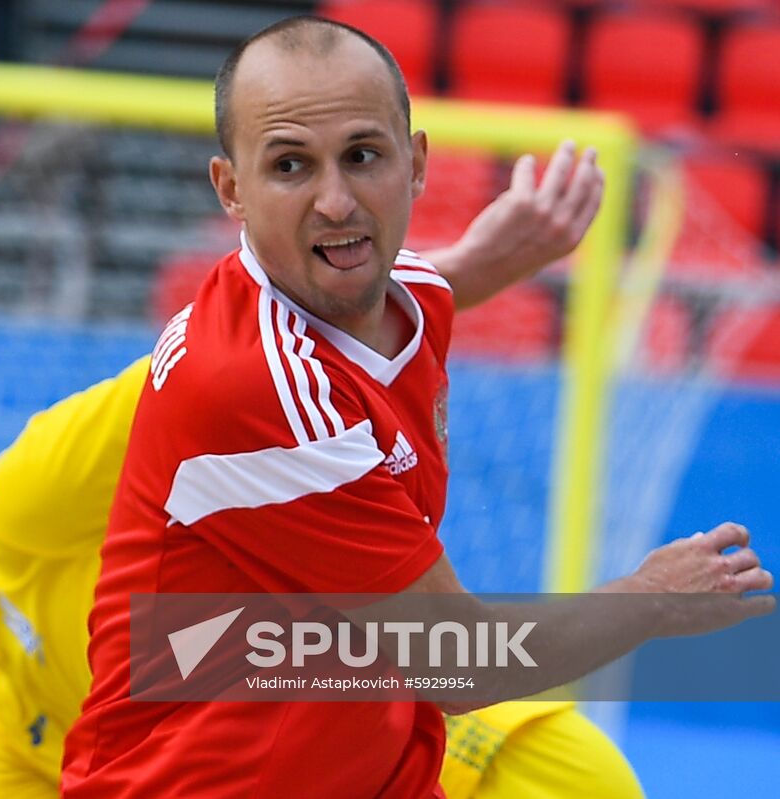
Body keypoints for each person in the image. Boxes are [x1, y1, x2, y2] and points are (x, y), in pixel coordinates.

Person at [0, 131, 657, 796]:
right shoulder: (17, 732)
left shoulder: (18, 497)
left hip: (490, 773)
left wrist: (460, 271)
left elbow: (230, 366)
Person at [61, 16, 772, 799]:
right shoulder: (262, 388)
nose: (336, 200)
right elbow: (453, 659)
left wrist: (494, 255)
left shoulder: (402, 289)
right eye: (291, 165)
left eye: (363, 156)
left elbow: (423, 288)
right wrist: (651, 599)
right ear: (231, 190)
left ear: (418, 162)